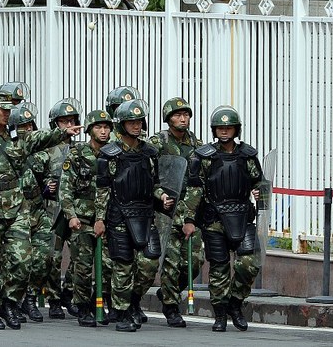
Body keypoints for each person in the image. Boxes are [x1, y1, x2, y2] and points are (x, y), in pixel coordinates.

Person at [0, 89, 83, 330]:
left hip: (17, 208)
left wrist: (63, 132)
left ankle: (11, 303)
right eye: (2, 110)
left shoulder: (19, 139)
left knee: (23, 260)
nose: (6, 114)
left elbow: (42, 138)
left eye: (8, 110)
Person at [187, 105, 263, 332]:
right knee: (219, 268)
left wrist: (260, 193)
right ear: (214, 130)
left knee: (250, 263)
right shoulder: (204, 157)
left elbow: (260, 182)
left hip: (242, 217)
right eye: (220, 127)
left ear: (236, 129)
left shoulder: (248, 156)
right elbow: (194, 190)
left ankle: (235, 304)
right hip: (214, 219)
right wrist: (189, 219)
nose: (224, 131)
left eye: (228, 127)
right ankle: (220, 315)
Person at [95, 99, 169, 332]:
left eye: (139, 121)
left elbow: (154, 183)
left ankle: (133, 300)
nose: (136, 126)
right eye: (131, 122)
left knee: (150, 261)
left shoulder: (149, 152)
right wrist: (99, 219)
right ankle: (122, 312)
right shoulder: (109, 154)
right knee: (123, 265)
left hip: (145, 215)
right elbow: (103, 189)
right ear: (121, 125)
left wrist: (162, 196)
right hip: (118, 216)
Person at [148, 97, 204, 327]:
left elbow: (201, 178)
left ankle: (169, 291)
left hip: (190, 210)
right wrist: (159, 194)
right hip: (166, 210)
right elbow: (148, 175)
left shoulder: (198, 145)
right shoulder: (157, 142)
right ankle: (171, 306)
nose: (183, 118)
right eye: (178, 115)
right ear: (168, 118)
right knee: (170, 261)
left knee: (194, 262)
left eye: (186, 114)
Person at [59, 109, 112, 327]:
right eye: (98, 127)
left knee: (108, 266)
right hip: (82, 219)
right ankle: (82, 307)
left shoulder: (114, 154)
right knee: (82, 266)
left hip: (107, 220)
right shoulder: (77, 154)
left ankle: (96, 301)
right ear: (90, 130)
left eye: (107, 127)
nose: (103, 131)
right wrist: (70, 215)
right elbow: (65, 188)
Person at [8, 101, 51, 323]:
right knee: (20, 260)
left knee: (43, 258)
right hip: (15, 212)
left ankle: (31, 298)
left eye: (30, 125)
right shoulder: (8, 148)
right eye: (22, 126)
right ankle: (13, 300)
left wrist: (49, 186)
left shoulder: (42, 152)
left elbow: (51, 174)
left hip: (38, 208)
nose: (28, 130)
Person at [44, 98, 82, 319]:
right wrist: (44, 187)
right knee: (53, 257)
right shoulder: (47, 149)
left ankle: (69, 291)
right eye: (64, 121)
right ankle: (54, 299)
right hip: (52, 209)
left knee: (79, 255)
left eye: (72, 121)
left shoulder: (80, 150)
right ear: (55, 124)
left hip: (75, 208)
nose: (69, 125)